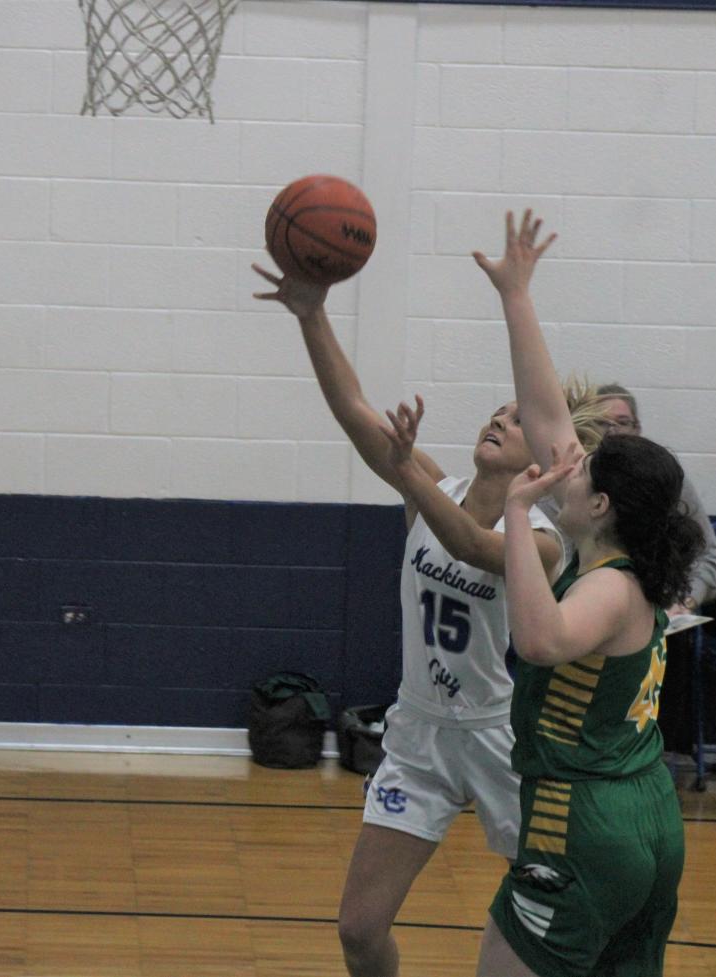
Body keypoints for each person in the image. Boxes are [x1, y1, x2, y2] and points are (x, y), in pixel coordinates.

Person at [251, 261, 605, 977]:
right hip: (418, 731)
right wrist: (312, 313)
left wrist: (403, 468)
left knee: (551, 916)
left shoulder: (543, 537)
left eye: (515, 418)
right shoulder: (433, 486)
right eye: (495, 412)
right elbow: (354, 408)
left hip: (503, 737)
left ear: (543, 456)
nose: (500, 420)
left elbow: (473, 545)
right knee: (358, 927)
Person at [458, 209, 702, 977]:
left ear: (599, 504)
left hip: (582, 816)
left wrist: (520, 505)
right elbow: (548, 416)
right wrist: (517, 297)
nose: (571, 464)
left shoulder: (610, 588)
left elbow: (541, 641)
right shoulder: (618, 546)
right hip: (646, 812)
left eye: (584, 470)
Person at [593, 383, 716, 617]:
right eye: (602, 422)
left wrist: (684, 603)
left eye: (622, 422)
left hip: (661, 604)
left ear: (637, 429)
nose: (612, 431)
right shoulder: (577, 482)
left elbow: (708, 555)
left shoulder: (666, 478)